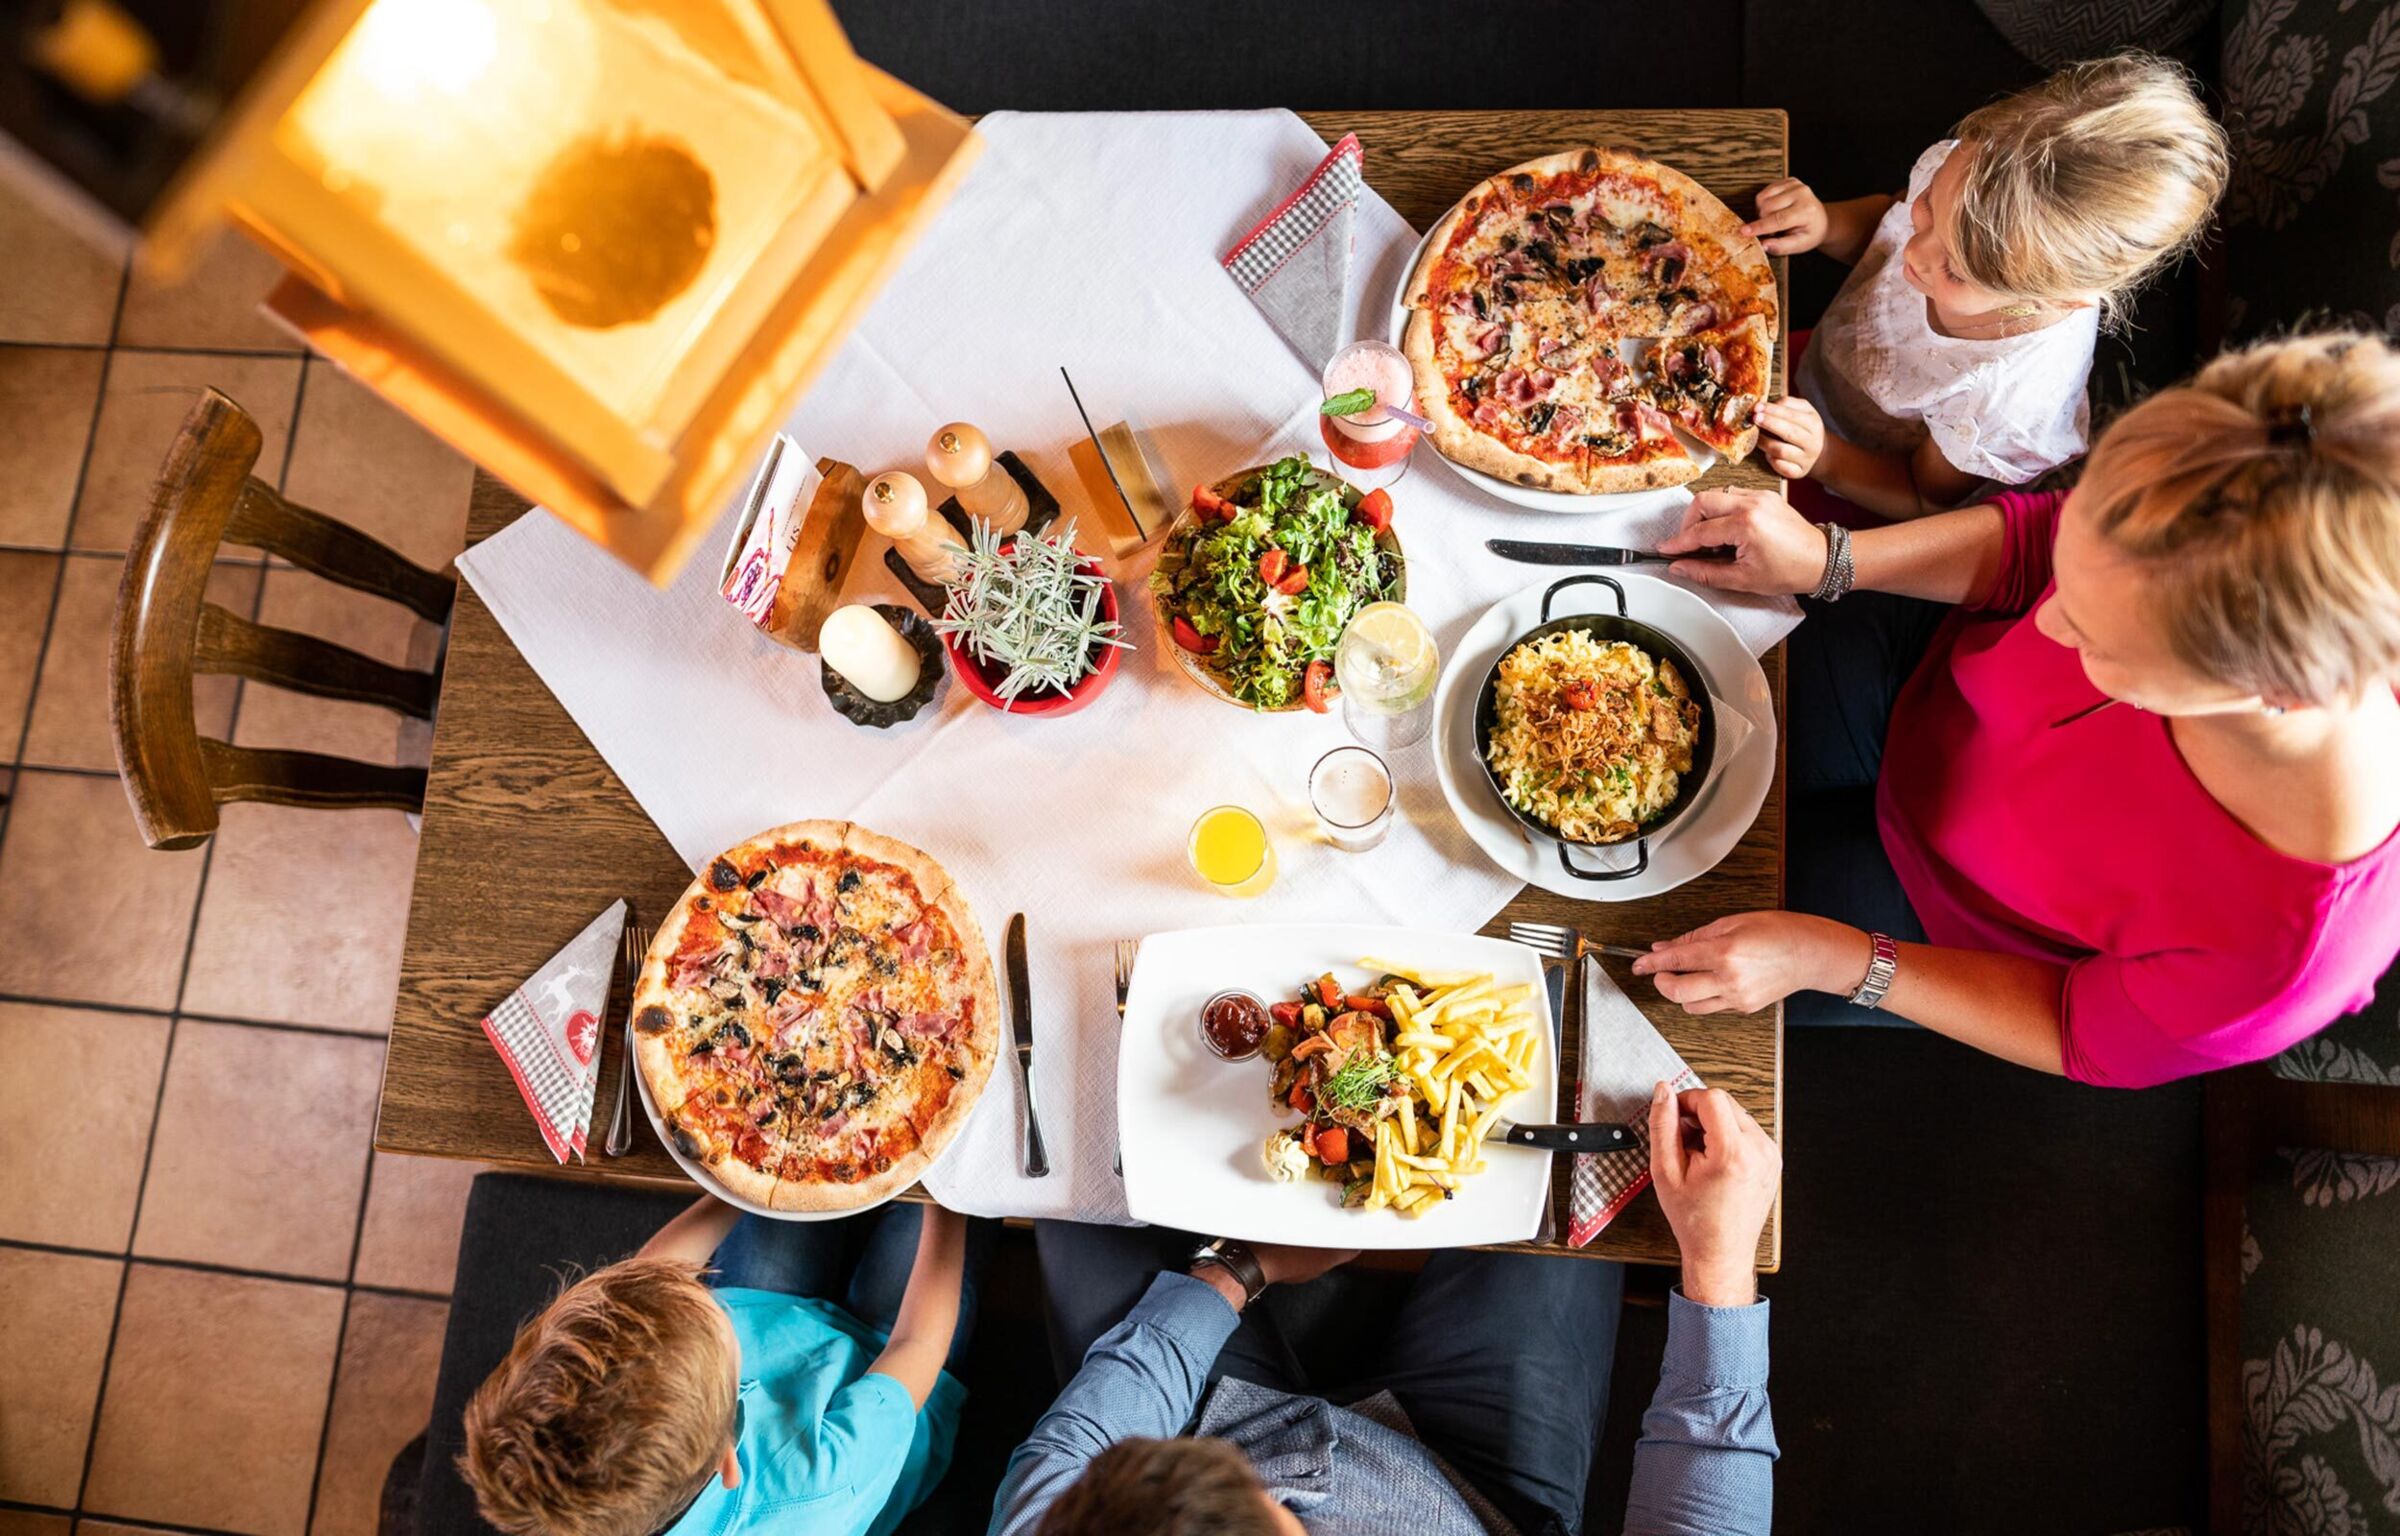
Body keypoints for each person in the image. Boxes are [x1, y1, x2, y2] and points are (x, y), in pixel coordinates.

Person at [1639, 331, 2400, 1086]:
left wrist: (1825, 958)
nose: (2047, 624)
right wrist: (1835, 560)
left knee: (1645, 941)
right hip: (1919, 669)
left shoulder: (2284, 962)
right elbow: (2034, 549)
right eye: (2075, 583)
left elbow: (2075, 1028)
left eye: (2100, 640)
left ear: (2280, 696)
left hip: (1934, 923)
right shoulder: (2217, 507)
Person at [992, 1080, 1783, 1536]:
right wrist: (1718, 1266)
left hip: (1212, 1419)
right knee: (1567, 1157)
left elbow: (1066, 1453)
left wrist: (1239, 1268)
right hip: (1477, 1489)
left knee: (1062, 1145)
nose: (1280, 1495)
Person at [1740, 53, 2226, 521]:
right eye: (1928, 205)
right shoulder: (1970, 179)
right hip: (1812, 367)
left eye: (1955, 271)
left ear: (2057, 298)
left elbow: (1921, 498)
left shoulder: (2011, 403)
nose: (1916, 252)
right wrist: (1826, 223)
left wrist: (1825, 456)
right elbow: (1887, 229)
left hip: (1852, 476)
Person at [460, 1193, 992, 1536]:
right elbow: (918, 1344)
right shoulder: (816, 1484)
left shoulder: (620, 1489)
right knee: (937, 1209)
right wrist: (947, 1193)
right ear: (727, 1461)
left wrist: (735, 1184)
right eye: (709, 1309)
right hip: (895, 1368)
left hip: (774, 1313)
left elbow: (650, 1278)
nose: (705, 1289)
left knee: (787, 1177)